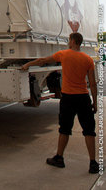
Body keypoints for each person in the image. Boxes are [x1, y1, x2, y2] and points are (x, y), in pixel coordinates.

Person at [22, 32, 99, 174]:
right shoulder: (88, 59)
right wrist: (94, 102)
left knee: (64, 129)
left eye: (69, 40)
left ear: (73, 41)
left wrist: (27, 64)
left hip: (68, 98)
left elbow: (43, 60)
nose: (68, 42)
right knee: (89, 130)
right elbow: (92, 84)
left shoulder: (64, 55)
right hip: (83, 97)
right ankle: (93, 163)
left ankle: (59, 158)